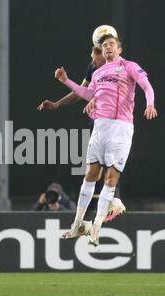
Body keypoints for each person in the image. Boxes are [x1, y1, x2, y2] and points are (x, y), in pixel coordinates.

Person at [54, 34, 157, 246]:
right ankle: (77, 225)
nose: (107, 48)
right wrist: (66, 81)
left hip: (121, 128)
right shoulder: (98, 72)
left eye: (111, 45)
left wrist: (149, 104)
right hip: (100, 127)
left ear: (119, 49)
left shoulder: (128, 66)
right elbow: (87, 93)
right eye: (104, 45)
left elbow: (146, 85)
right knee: (90, 175)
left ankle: (96, 228)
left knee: (110, 180)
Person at [38, 45, 126, 225]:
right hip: (98, 122)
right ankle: (94, 212)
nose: (93, 61)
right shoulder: (94, 68)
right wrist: (57, 104)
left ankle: (114, 200)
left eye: (96, 57)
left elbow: (122, 91)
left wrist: (150, 103)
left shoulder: (121, 67)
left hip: (116, 124)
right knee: (93, 168)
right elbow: (81, 92)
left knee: (108, 161)